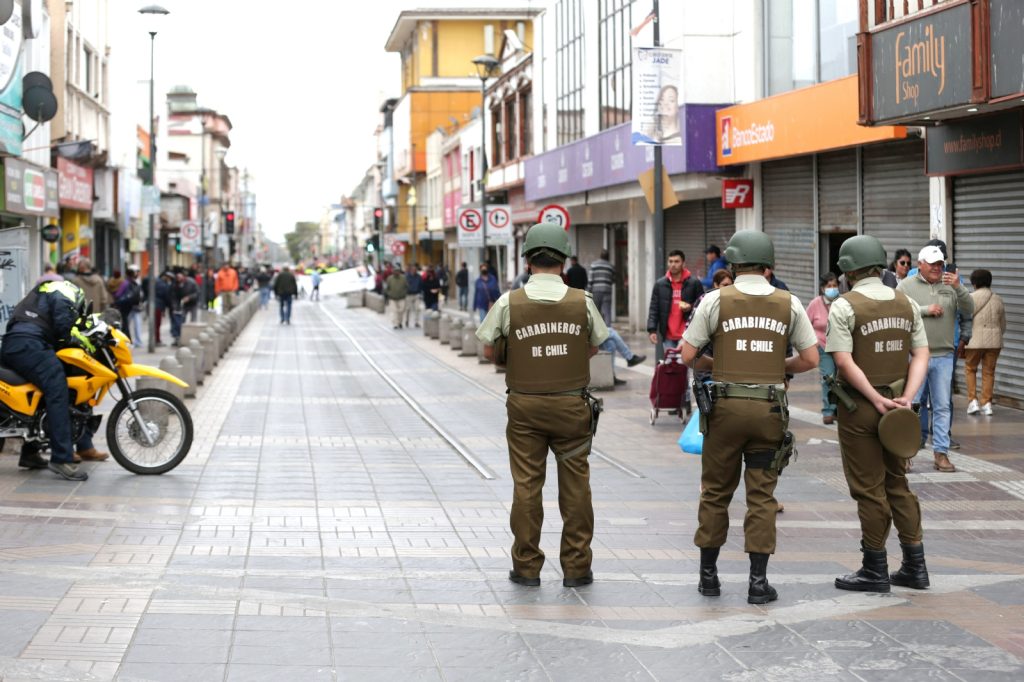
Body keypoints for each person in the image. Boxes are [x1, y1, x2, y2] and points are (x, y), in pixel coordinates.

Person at [678, 231, 819, 604]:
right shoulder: (789, 303)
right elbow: (810, 359)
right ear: (768, 265)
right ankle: (758, 583)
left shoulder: (714, 300)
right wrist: (778, 367)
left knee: (715, 492)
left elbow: (687, 354)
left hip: (724, 410)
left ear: (733, 264)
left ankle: (709, 577)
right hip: (768, 411)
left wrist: (717, 364)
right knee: (761, 496)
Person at [475, 222, 609, 588]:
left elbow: (488, 349)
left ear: (527, 262)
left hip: (525, 407)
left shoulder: (509, 302)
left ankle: (526, 567)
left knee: (527, 486)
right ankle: (577, 567)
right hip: (571, 406)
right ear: (564, 261)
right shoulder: (581, 301)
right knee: (577, 488)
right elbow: (596, 344)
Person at [825, 235, 930, 593]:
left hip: (860, 409)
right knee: (898, 484)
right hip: (899, 408)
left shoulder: (844, 306)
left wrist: (873, 397)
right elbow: (921, 353)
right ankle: (915, 566)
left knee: (869, 490)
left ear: (848, 271)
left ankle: (874, 568)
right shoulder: (906, 302)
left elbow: (843, 360)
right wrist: (907, 398)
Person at [1, 280, 100, 480]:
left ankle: (30, 453)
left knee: (42, 394)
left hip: (20, 341)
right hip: (29, 343)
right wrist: (78, 340)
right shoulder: (67, 291)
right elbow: (64, 324)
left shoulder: (47, 290)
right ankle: (61, 459)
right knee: (57, 387)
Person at [897, 244, 973, 472]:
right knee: (912, 406)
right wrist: (924, 310)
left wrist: (959, 287)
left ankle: (941, 454)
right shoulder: (906, 285)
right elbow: (897, 310)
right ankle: (906, 453)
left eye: (940, 264)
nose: (937, 268)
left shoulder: (952, 285)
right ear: (920, 264)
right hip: (915, 356)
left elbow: (969, 309)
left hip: (944, 356)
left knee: (942, 406)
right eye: (932, 264)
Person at [964, 269, 1005, 417]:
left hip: (974, 341)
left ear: (974, 283)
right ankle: (987, 404)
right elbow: (1003, 324)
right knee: (989, 372)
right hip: (994, 342)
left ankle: (973, 402)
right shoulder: (998, 299)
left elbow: (964, 320)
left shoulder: (970, 298)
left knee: (970, 369)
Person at [647, 249, 703, 351]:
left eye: (676, 261)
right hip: (668, 336)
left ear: (683, 263)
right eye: (670, 261)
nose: (673, 264)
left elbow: (702, 306)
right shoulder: (660, 284)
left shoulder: (694, 283)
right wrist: (652, 330)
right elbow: (654, 309)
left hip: (688, 335)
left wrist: (690, 307)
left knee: (687, 361)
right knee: (671, 361)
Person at [806, 272, 841, 424]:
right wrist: (812, 342)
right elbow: (806, 324)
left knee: (842, 379)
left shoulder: (842, 302)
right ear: (822, 288)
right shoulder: (815, 303)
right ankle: (828, 410)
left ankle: (839, 409)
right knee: (828, 377)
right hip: (823, 345)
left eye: (835, 285)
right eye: (829, 286)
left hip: (841, 346)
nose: (832, 288)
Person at [114, 266, 143, 348]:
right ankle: (132, 341)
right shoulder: (131, 283)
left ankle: (129, 341)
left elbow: (118, 294)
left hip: (126, 306)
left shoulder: (127, 282)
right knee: (129, 325)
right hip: (130, 306)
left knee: (125, 325)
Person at [171, 271, 199, 344]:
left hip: (193, 303)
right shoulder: (176, 284)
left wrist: (189, 298)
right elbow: (174, 296)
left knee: (193, 320)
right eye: (177, 278)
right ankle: (180, 337)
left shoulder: (191, 282)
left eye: (180, 277)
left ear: (184, 277)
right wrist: (175, 306)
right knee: (181, 320)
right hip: (183, 304)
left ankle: (193, 337)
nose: (179, 279)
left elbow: (197, 293)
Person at [588, 249, 615, 325]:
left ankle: (596, 329)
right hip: (607, 291)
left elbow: (590, 279)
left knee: (596, 311)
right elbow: (613, 280)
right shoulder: (611, 266)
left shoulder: (594, 265)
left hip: (596, 291)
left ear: (600, 256)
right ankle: (608, 329)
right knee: (607, 312)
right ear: (608, 257)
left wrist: (589, 290)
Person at [384, 264, 408, 329]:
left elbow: (407, 287)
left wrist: (404, 293)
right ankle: (395, 324)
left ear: (399, 272)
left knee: (401, 310)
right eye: (395, 271)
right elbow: (386, 288)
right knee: (394, 311)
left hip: (401, 297)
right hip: (392, 298)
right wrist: (389, 294)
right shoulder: (390, 278)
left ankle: (400, 322)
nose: (396, 272)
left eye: (397, 271)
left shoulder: (403, 278)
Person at [152, 272, 173, 345]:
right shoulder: (164, 285)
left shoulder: (157, 282)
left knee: (155, 324)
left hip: (153, 305)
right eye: (169, 278)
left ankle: (155, 339)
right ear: (166, 277)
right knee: (157, 324)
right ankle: (157, 340)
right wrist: (169, 306)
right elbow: (166, 297)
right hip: (158, 306)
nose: (169, 280)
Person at [404, 263, 423, 328]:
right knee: (408, 309)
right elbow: (404, 285)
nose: (414, 271)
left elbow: (421, 285)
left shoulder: (419, 277)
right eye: (413, 269)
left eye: (415, 269)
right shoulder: (407, 276)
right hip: (409, 295)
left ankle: (416, 322)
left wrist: (420, 293)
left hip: (417, 294)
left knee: (417, 308)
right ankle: (407, 320)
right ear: (411, 270)